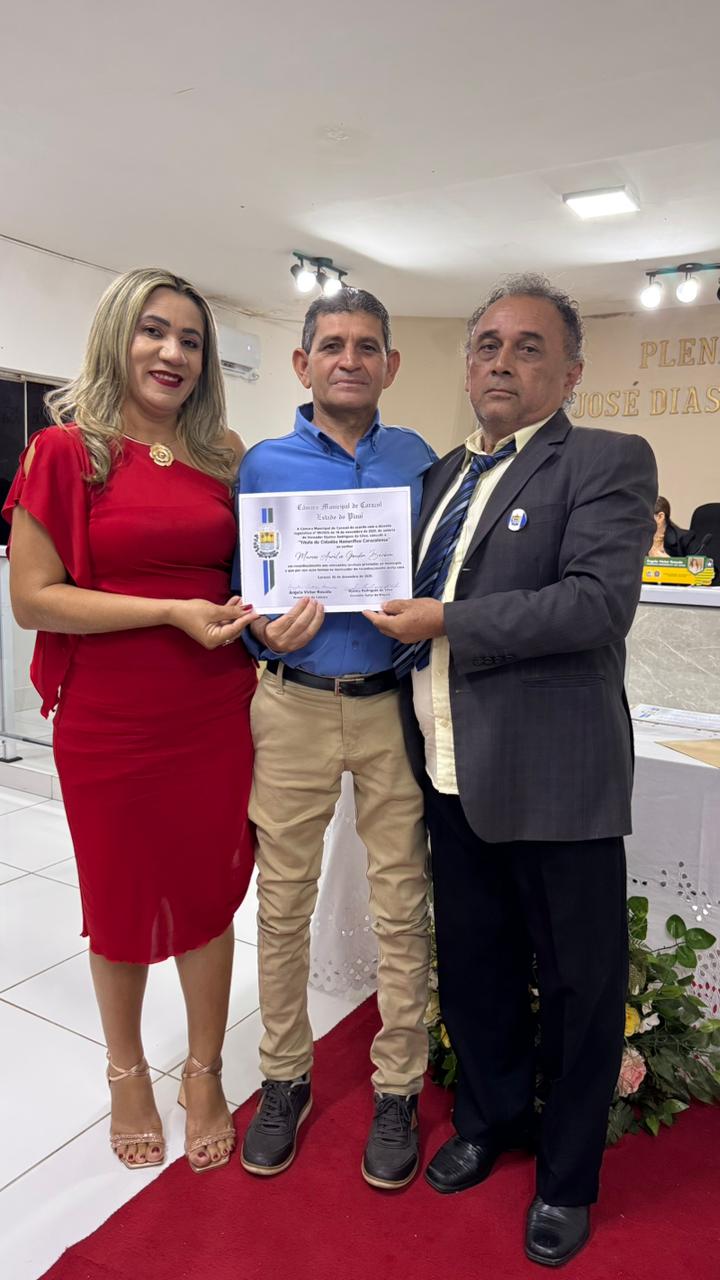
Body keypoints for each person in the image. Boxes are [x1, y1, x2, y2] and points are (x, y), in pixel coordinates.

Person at [365, 274, 657, 1265]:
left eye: (529, 347)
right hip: (449, 769)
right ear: (467, 365)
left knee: (579, 987)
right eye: (487, 344)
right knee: (477, 968)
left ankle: (567, 1178)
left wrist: (446, 619)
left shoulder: (607, 459)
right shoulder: (438, 477)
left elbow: (594, 604)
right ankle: (491, 1120)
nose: (502, 361)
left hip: (557, 781)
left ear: (570, 372)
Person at [3, 267, 259, 1174]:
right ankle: (125, 1073)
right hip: (111, 718)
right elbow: (34, 599)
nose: (172, 352)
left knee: (208, 894)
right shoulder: (65, 451)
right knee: (118, 901)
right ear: (118, 334)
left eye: (190, 339)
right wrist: (166, 612)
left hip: (214, 710)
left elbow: (250, 573)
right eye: (154, 331)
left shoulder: (223, 454)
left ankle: (204, 1070)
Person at [237, 288, 435, 1189]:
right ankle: (284, 1076)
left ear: (390, 364)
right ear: (303, 363)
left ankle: (398, 1088)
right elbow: (245, 588)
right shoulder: (264, 466)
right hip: (293, 705)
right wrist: (260, 631)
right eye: (331, 345)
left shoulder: (419, 460)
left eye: (365, 346)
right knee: (283, 902)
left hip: (393, 706)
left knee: (402, 902)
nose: (348, 360)